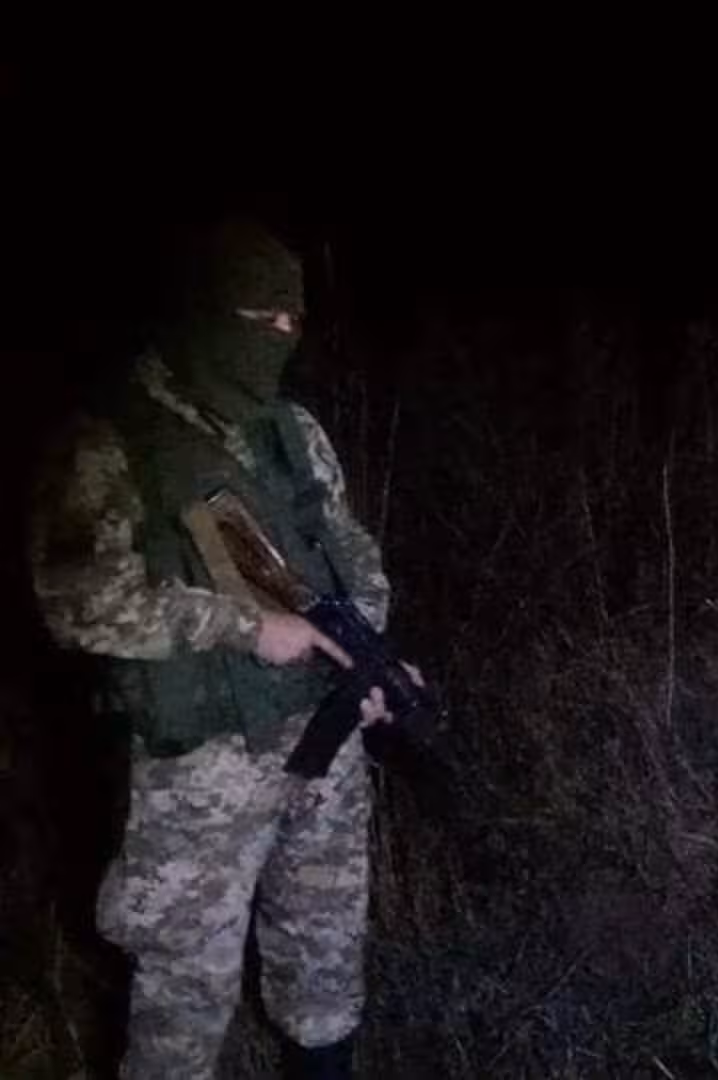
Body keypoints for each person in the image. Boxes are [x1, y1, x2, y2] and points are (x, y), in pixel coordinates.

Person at [28, 220, 421, 1079]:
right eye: (257, 318)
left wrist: (369, 655)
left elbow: (349, 550)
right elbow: (75, 599)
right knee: (184, 998)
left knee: (323, 956)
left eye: (291, 321)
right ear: (202, 314)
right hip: (201, 773)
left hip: (322, 738)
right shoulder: (112, 443)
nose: (278, 336)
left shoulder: (294, 432)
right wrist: (242, 627)